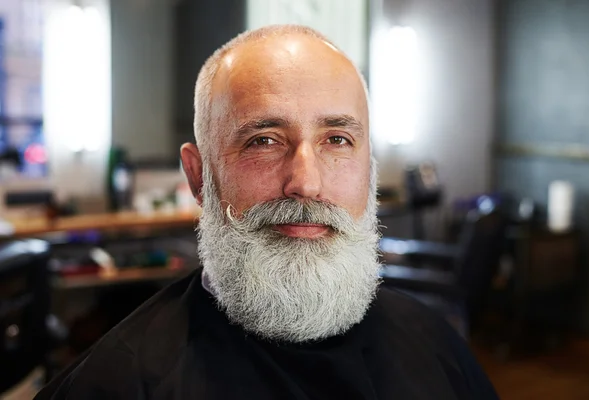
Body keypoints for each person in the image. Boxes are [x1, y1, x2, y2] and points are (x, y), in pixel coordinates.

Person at [36, 25, 498, 399]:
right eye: (264, 141)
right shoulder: (116, 384)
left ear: (369, 169)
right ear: (199, 176)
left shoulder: (435, 346)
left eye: (337, 140)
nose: (306, 182)